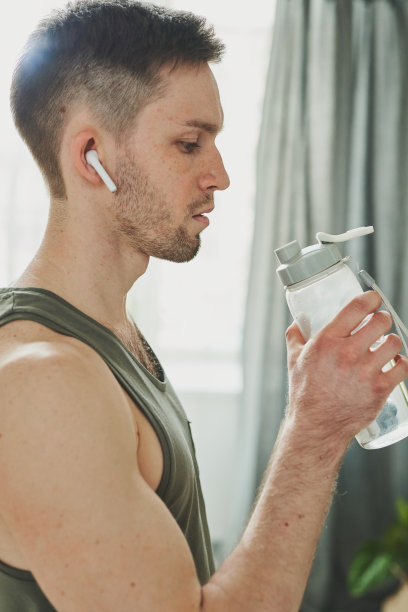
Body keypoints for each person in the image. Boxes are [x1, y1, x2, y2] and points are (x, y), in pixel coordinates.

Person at [0, 1, 406, 610]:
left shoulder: (106, 334)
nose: (220, 175)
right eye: (189, 144)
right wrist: (314, 429)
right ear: (91, 157)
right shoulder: (43, 384)